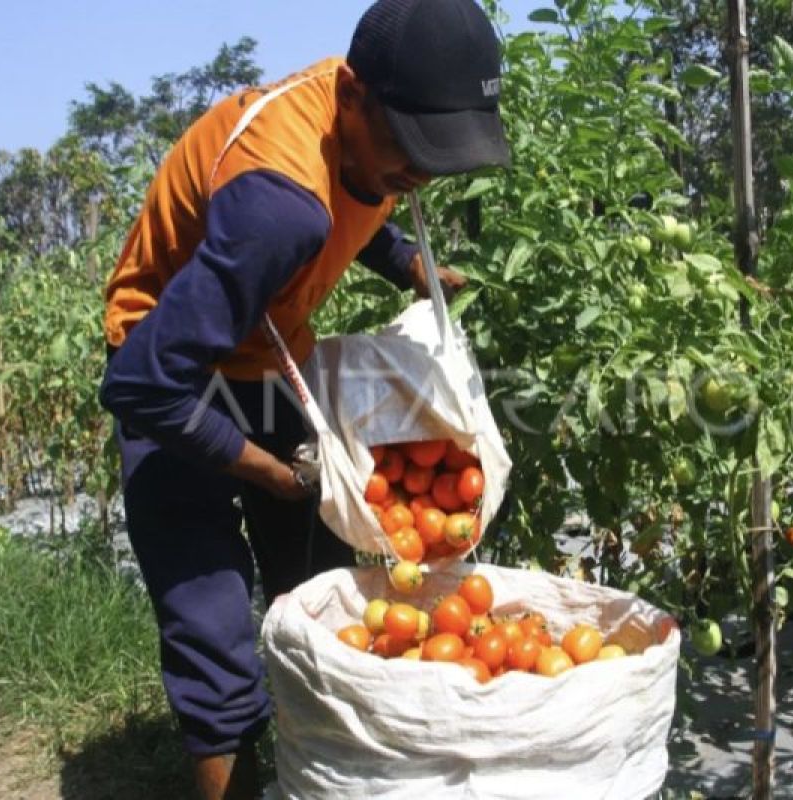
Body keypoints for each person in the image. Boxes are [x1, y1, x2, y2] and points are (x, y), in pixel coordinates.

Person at [97, 0, 510, 796]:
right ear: (352, 95)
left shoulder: (366, 128)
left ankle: (318, 774)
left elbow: (361, 189)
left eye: (438, 157)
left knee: (317, 593)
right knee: (212, 623)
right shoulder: (277, 207)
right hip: (168, 373)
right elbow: (142, 385)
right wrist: (265, 470)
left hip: (262, 362)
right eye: (411, 154)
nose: (418, 176)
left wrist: (403, 263)